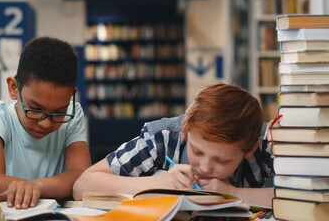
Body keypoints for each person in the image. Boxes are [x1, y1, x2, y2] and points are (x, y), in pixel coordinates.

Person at [73, 83, 274, 207]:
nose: (204, 167)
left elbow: (305, 199)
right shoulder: (164, 137)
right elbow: (82, 186)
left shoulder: (269, 144)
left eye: (221, 160)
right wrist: (158, 184)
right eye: (197, 151)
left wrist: (234, 194)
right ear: (186, 129)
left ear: (250, 150)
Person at [0, 37, 91, 209]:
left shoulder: (73, 115)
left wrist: (35, 187)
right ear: (14, 88)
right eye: (35, 109)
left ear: (72, 96)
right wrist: (53, 187)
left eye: (59, 112)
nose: (45, 123)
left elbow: (81, 178)